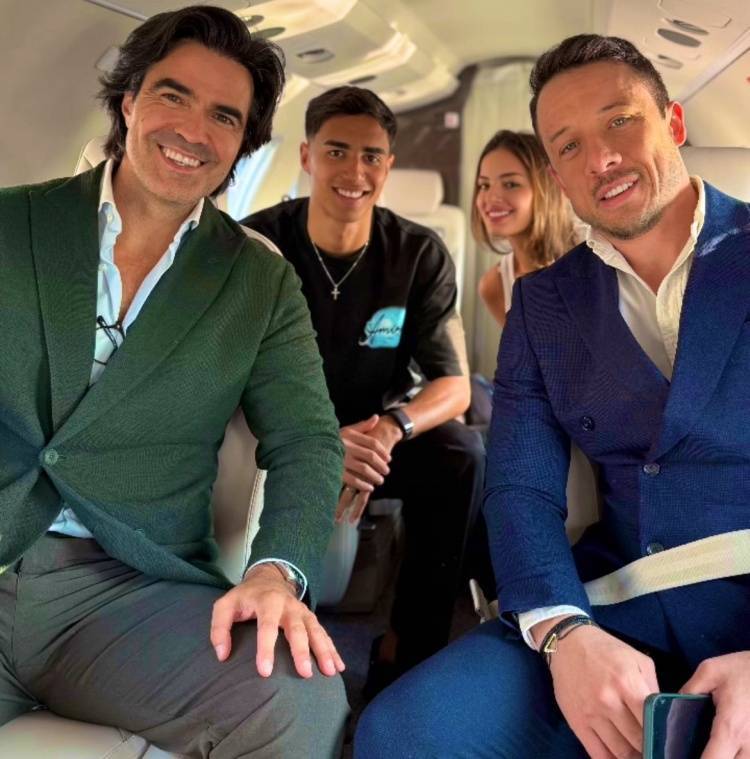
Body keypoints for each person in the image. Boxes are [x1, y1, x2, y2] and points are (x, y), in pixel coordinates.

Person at [355, 33, 750, 759]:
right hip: (614, 604)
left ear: (674, 122)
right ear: (558, 177)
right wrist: (564, 630)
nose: (600, 159)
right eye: (568, 146)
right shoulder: (543, 305)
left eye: (620, 121)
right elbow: (520, 488)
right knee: (403, 731)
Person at [0, 7, 349, 757]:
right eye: (172, 95)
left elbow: (308, 441)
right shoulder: (11, 223)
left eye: (224, 116)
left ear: (243, 143)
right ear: (129, 102)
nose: (193, 130)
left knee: (300, 696)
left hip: (127, 589)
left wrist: (275, 571)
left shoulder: (259, 281)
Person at [243, 86, 484, 695]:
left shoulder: (418, 255)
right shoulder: (256, 247)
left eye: (371, 156)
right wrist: (319, 442)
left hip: (376, 436)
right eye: (337, 151)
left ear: (389, 165)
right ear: (306, 156)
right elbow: (224, 377)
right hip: (272, 434)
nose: (355, 172)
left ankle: (410, 651)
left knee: (460, 456)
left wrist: (392, 428)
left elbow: (454, 385)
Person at [472, 129, 575, 326]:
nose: (491, 198)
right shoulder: (494, 287)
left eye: (511, 184)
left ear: (548, 188)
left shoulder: (593, 260)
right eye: (484, 185)